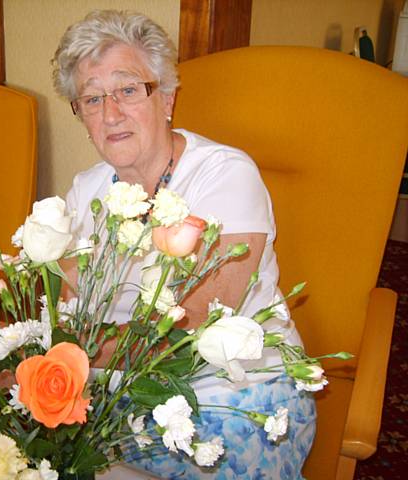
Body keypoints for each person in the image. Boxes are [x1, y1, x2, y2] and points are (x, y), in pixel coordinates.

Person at [52, 10, 316, 479]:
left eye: (128, 90)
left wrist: (67, 351)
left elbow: (190, 326)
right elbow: (68, 309)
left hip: (241, 393)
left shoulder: (227, 174)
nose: (110, 114)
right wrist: (19, 347)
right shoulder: (86, 192)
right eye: (91, 99)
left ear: (167, 99)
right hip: (124, 388)